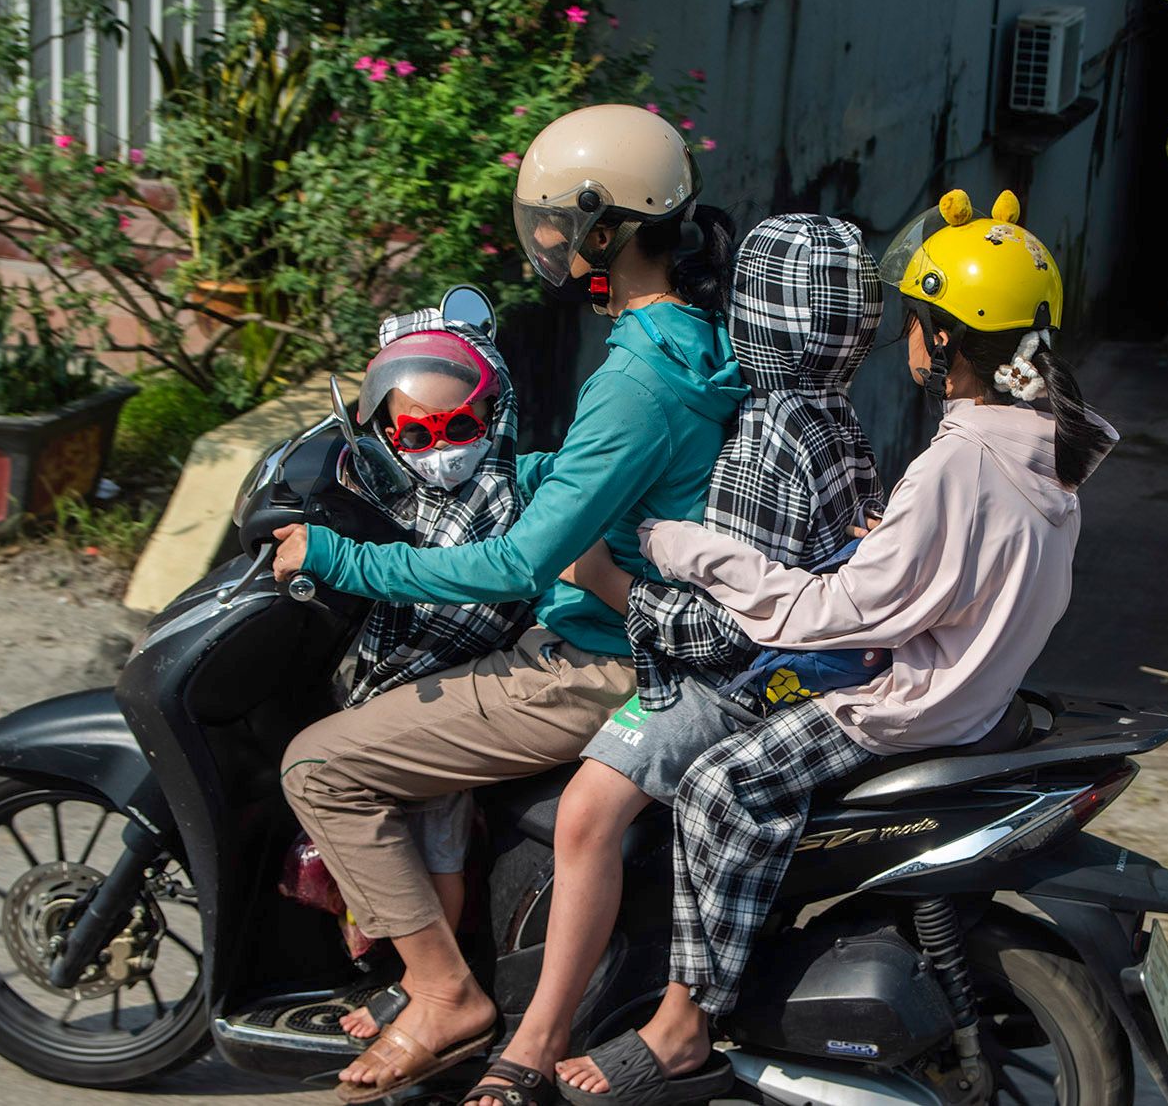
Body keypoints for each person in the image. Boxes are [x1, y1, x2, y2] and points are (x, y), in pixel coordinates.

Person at [553, 188, 1120, 1106]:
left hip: (904, 702)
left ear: (943, 340)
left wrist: (676, 546)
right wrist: (884, 537)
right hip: (978, 685)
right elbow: (952, 564)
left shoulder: (954, 459)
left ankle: (684, 1021)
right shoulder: (1044, 444)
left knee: (717, 787)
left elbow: (829, 610)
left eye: (915, 319)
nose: (898, 335)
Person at [271, 105, 746, 1104]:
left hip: (597, 659)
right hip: (638, 631)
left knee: (317, 763)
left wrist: (344, 559)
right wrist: (500, 460)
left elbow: (516, 563)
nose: (544, 243)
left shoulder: (635, 375)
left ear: (603, 231)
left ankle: (441, 993)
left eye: (553, 224)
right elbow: (595, 482)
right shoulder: (688, 338)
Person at [462, 213, 887, 1106]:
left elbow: (724, 634)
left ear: (764, 314)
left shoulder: (765, 436)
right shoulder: (832, 416)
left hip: (753, 684)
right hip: (824, 661)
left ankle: (536, 1044)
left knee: (586, 811)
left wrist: (610, 578)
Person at [329, 311, 532, 1042]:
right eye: (416, 434)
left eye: (458, 428)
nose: (439, 450)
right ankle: (404, 975)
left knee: (436, 847)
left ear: (491, 417)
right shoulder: (408, 492)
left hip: (443, 698)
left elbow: (460, 619)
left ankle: (430, 985)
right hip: (401, 689)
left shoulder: (497, 502)